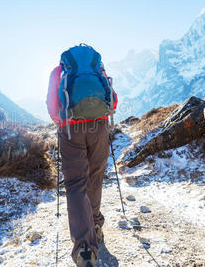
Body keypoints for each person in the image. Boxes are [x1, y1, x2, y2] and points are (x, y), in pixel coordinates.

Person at [46, 44, 118, 267]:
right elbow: (113, 101)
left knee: (76, 185)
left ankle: (84, 250)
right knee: (95, 178)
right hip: (99, 127)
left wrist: (65, 123)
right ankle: (95, 224)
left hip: (71, 130)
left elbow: (52, 106)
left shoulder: (59, 72)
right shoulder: (98, 69)